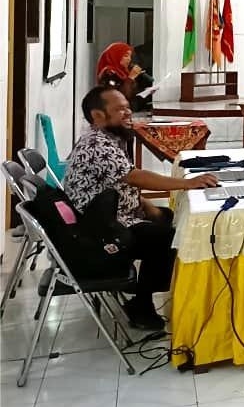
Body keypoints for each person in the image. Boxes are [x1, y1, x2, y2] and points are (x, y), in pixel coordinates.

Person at [64, 86, 219, 329]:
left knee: (168, 217)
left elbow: (122, 183)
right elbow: (135, 177)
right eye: (120, 109)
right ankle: (141, 304)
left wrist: (147, 207)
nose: (128, 113)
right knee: (167, 237)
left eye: (128, 107)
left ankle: (172, 288)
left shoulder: (109, 137)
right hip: (101, 229)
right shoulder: (95, 144)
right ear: (98, 115)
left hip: (115, 215)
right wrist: (188, 183)